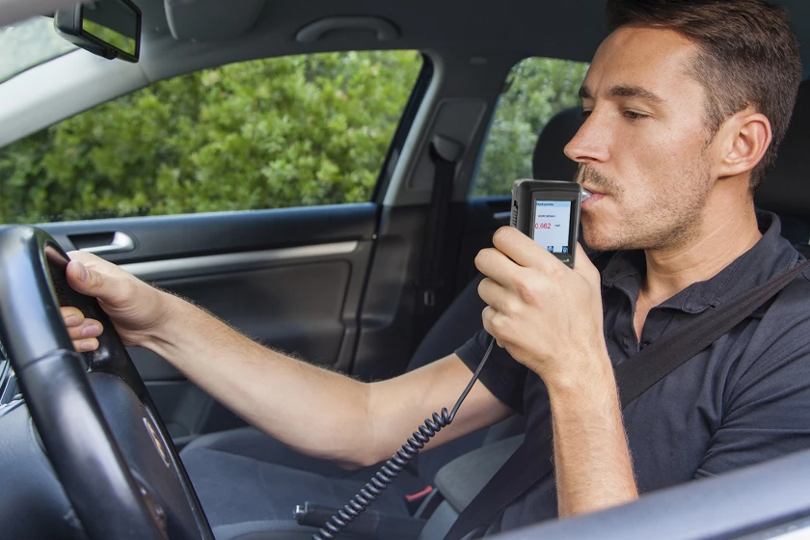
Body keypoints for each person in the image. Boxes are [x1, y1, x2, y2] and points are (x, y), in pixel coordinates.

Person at [60, 0, 810, 536]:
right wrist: (160, 322)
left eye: (633, 112)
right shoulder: (596, 282)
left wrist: (576, 367)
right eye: (588, 107)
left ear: (738, 146)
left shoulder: (793, 346)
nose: (581, 142)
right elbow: (367, 422)